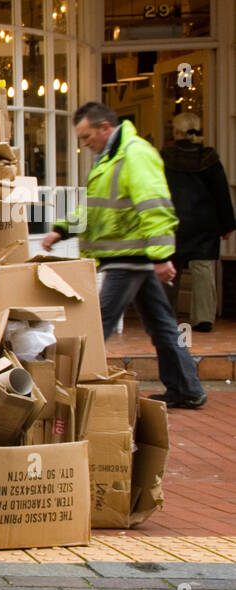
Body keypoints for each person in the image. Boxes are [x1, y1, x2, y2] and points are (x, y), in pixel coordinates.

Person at [42, 102, 206, 409]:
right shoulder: (111, 158)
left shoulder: (135, 154)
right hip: (131, 257)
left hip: (128, 257)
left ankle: (65, 387)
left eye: (87, 135)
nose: (84, 143)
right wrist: (62, 229)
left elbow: (154, 204)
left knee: (98, 322)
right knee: (162, 325)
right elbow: (95, 207)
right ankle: (187, 389)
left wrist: (160, 256)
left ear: (105, 127)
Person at [161, 112, 236, 333]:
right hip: (205, 223)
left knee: (171, 269)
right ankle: (203, 319)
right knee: (203, 269)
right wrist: (227, 224)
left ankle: (166, 316)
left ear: (176, 132)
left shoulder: (165, 157)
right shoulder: (209, 158)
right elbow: (221, 193)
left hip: (173, 221)